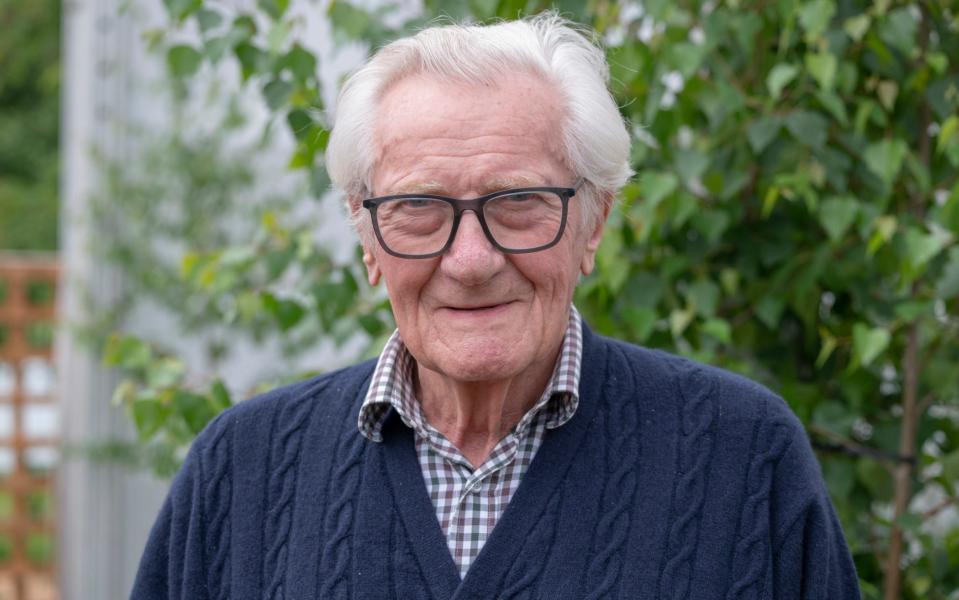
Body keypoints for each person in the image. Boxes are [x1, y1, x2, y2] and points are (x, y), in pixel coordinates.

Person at [132, 13, 861, 599]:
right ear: (365, 234)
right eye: (419, 207)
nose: (471, 261)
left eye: (518, 203)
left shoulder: (742, 454)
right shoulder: (241, 468)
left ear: (594, 221)